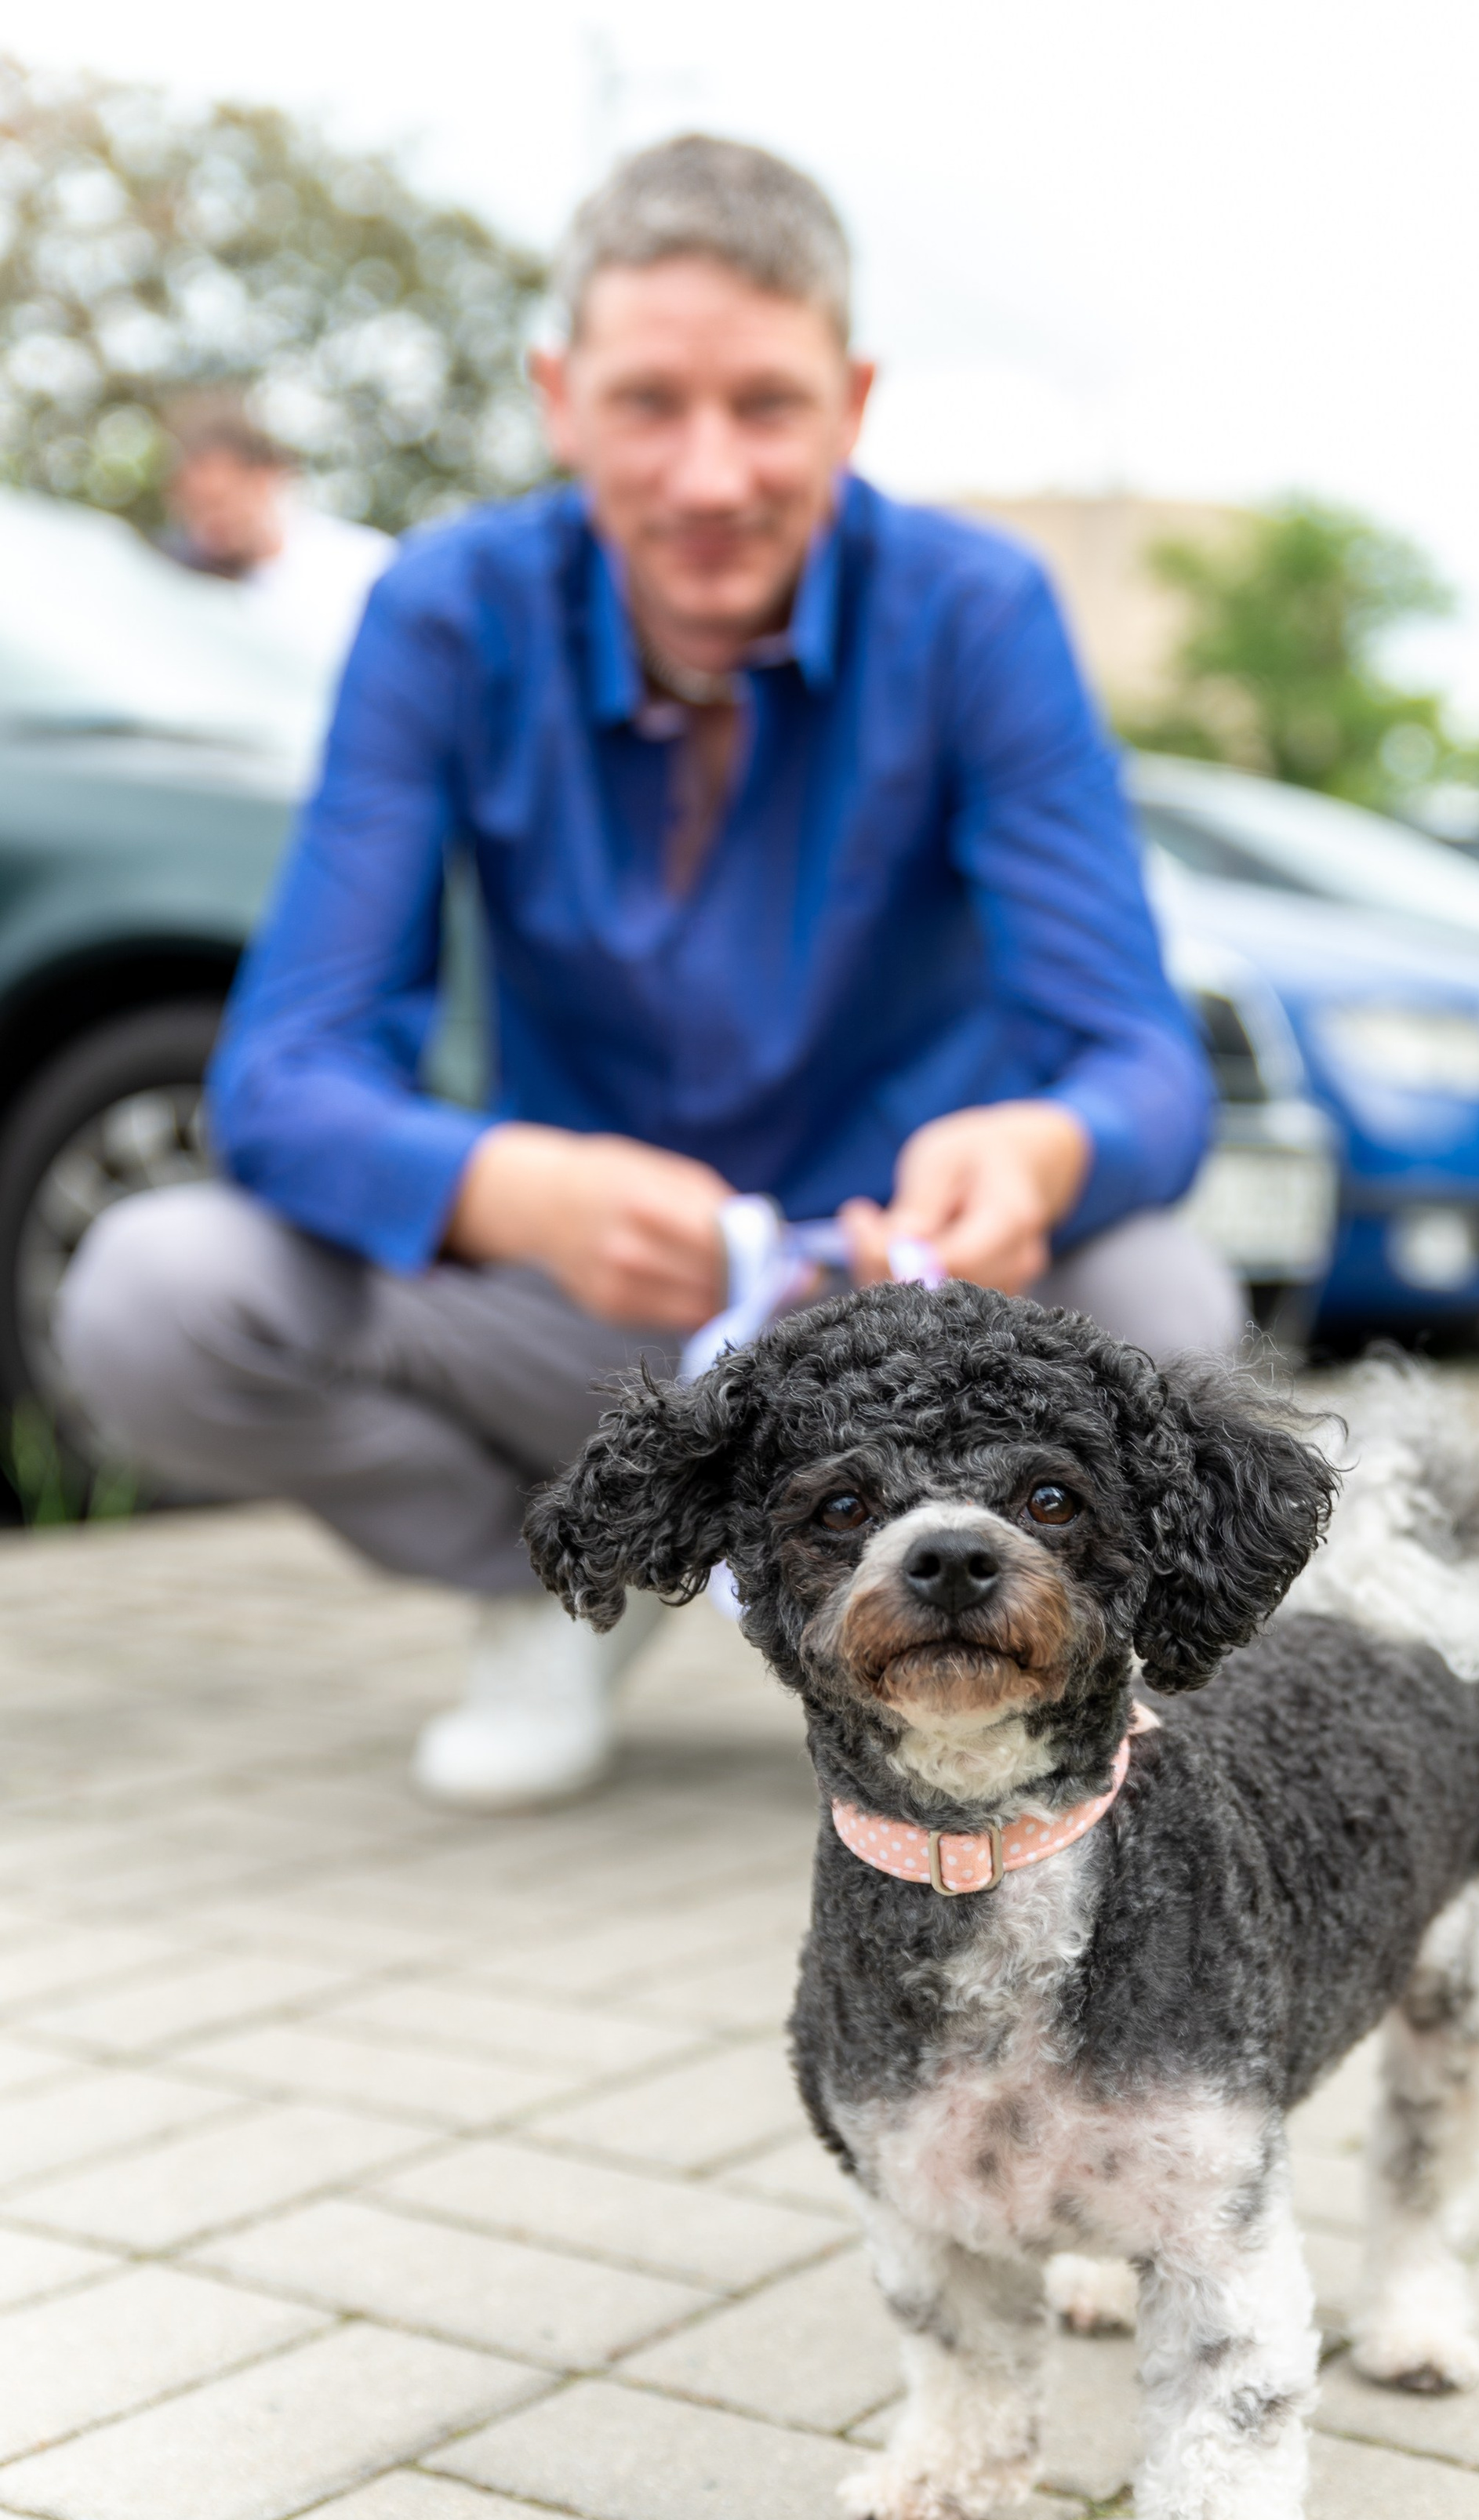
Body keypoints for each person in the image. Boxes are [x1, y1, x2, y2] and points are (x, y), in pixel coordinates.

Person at [63, 136, 1235, 1810]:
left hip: (899, 1303)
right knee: (156, 1294)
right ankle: (564, 1588)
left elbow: (1138, 1055)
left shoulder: (976, 611)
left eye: (764, 405)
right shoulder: (447, 612)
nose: (705, 476)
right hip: (587, 1306)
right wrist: (502, 1186)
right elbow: (283, 1074)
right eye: (646, 405)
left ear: (851, 400)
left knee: (1168, 1308)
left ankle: (1023, 1695)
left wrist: (1043, 1150)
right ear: (558, 394)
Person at [159, 399, 394, 678]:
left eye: (218, 502)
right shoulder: (180, 592)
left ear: (265, 479)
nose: (207, 526)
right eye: (194, 509)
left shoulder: (363, 566)